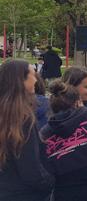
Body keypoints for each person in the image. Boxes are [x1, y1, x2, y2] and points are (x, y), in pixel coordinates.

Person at [0, 60, 54, 200]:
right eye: (33, 74)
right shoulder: (22, 118)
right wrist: (50, 182)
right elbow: (31, 167)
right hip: (26, 193)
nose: (36, 79)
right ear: (20, 80)